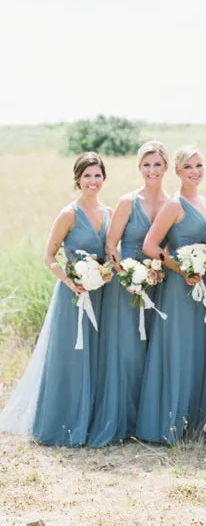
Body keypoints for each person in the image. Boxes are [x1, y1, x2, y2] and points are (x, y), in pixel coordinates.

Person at [0, 152, 112, 445]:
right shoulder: (69, 214)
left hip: (100, 296)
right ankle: (61, 423)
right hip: (72, 297)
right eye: (87, 175)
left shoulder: (109, 213)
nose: (93, 181)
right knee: (71, 359)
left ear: (104, 178)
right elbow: (49, 256)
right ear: (78, 179)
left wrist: (107, 274)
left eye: (97, 175)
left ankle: (89, 420)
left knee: (96, 358)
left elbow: (111, 255)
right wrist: (70, 280)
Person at [88, 141, 170, 447]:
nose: (152, 171)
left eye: (157, 165)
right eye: (146, 165)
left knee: (153, 353)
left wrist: (158, 271)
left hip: (161, 285)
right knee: (128, 353)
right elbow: (111, 246)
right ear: (139, 167)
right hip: (127, 286)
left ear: (166, 168)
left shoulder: (172, 203)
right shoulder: (128, 201)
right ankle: (121, 422)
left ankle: (149, 422)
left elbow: (169, 246)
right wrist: (128, 277)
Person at [136, 146, 206, 444]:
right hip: (178, 290)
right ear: (178, 172)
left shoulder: (205, 202)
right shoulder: (174, 204)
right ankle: (167, 423)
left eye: (199, 165)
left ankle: (192, 421)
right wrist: (181, 269)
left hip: (202, 288)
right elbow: (150, 245)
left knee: (196, 350)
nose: (195, 171)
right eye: (188, 167)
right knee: (176, 351)